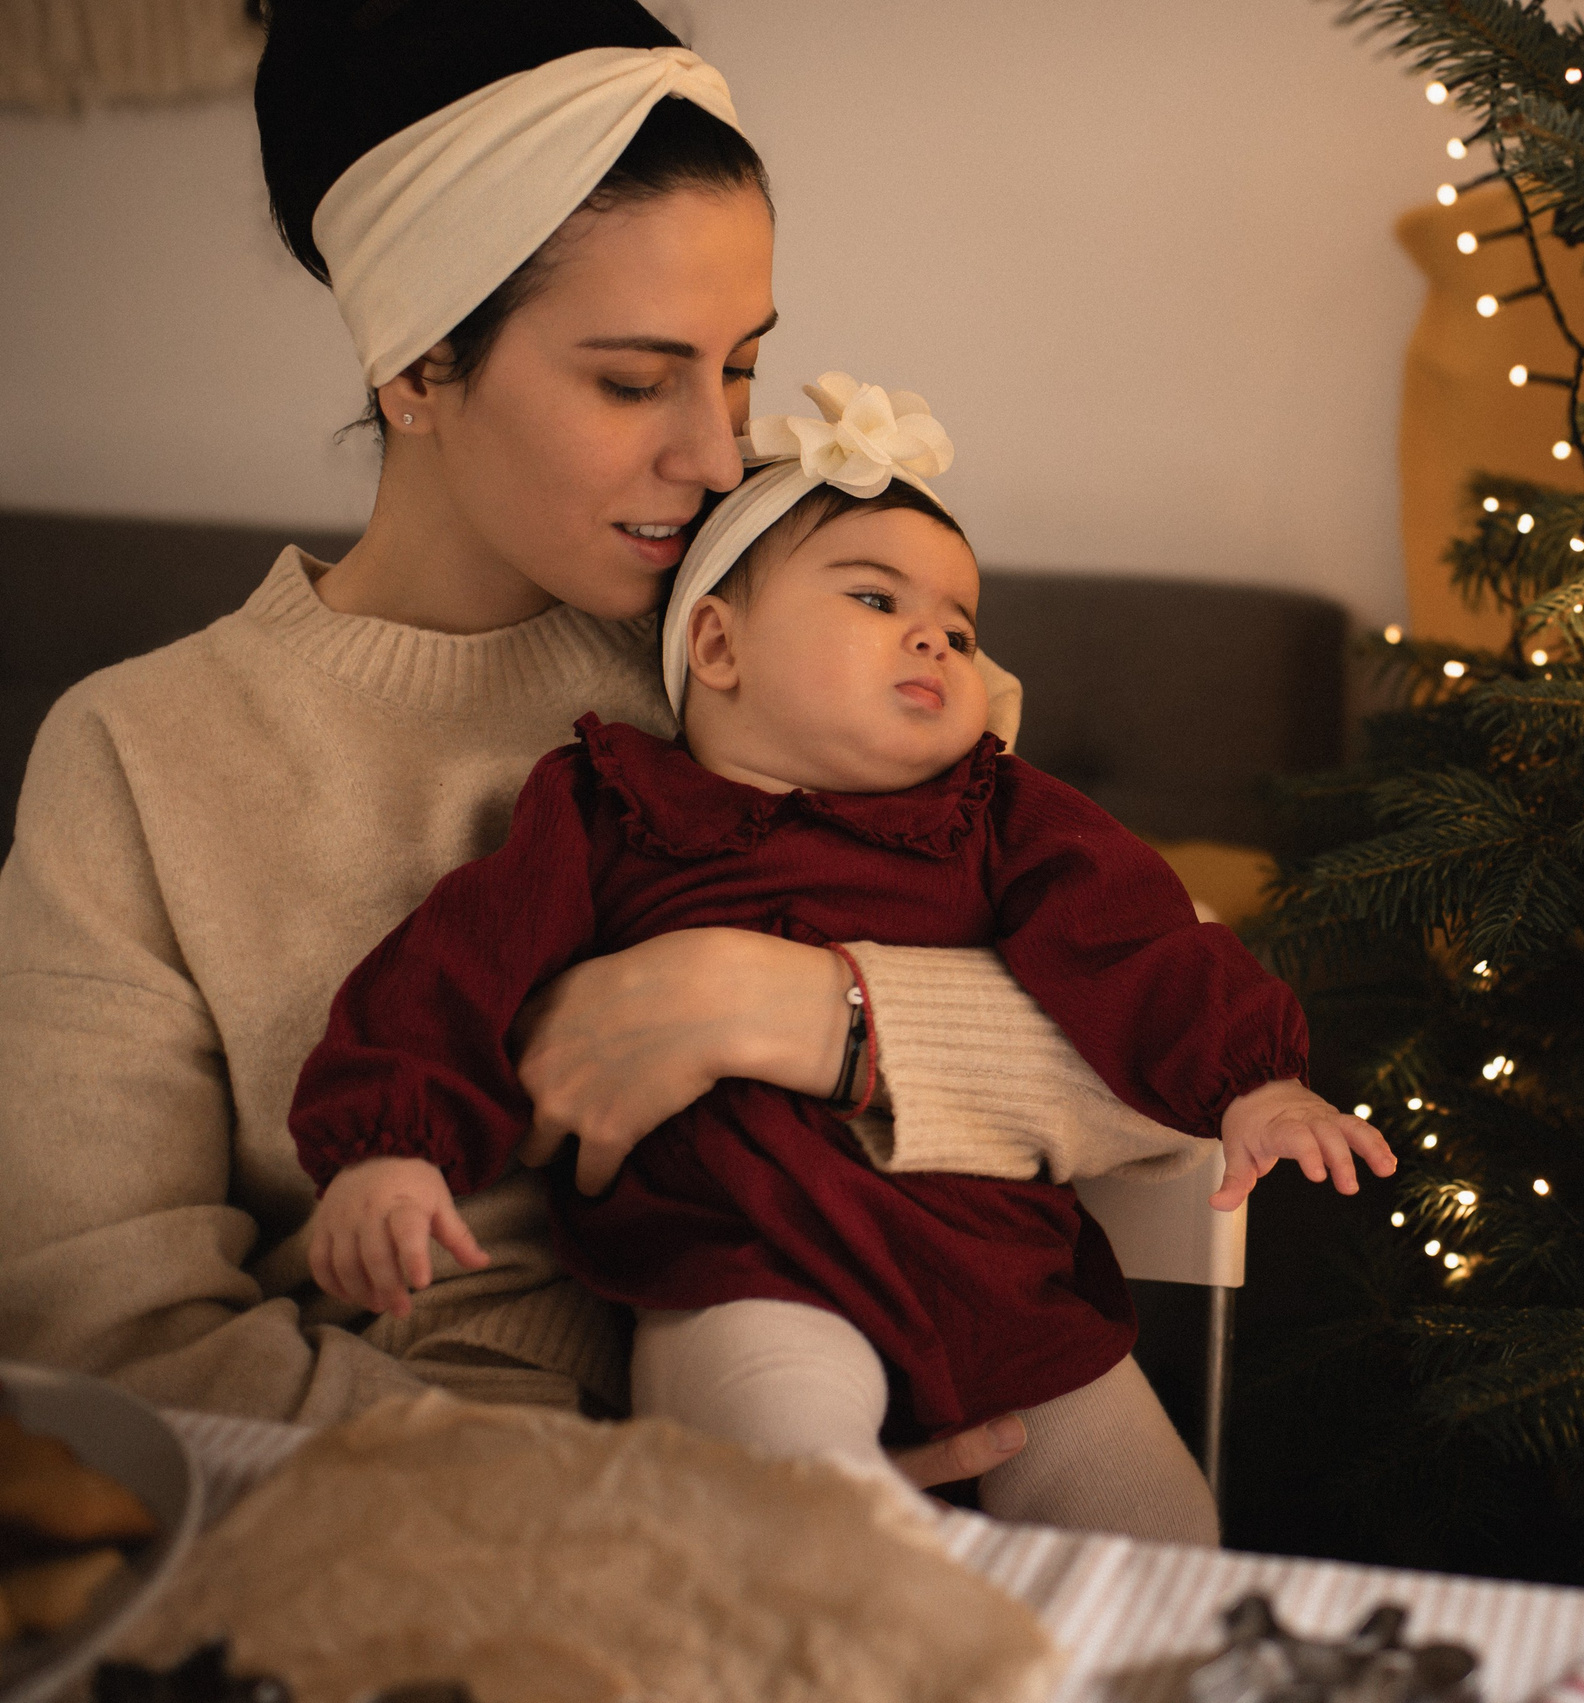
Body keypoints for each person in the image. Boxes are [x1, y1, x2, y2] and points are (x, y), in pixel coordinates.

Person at [0, 0, 1306, 1514]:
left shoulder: (802, 636)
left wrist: (807, 1007)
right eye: (635, 381)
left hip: (916, 1429)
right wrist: (665, 1493)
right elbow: (104, 1344)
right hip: (419, 1541)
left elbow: (1172, 1042)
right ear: (418, 371)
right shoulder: (145, 754)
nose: (714, 455)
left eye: (742, 367)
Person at [289, 375, 1396, 1526]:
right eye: (874, 598)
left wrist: (1254, 1080)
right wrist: (389, 1146)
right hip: (744, 1267)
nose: (934, 634)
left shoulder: (1000, 813)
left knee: (1164, 1526)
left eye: (960, 629)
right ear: (716, 643)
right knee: (805, 1487)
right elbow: (453, 970)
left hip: (1001, 1275)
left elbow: (1141, 943)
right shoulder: (605, 804)